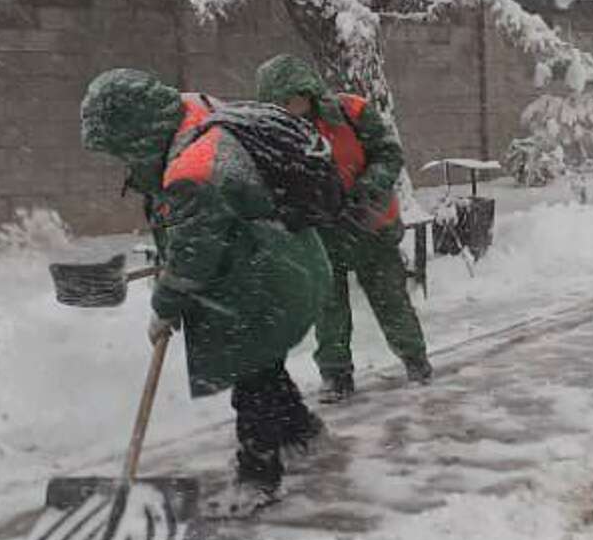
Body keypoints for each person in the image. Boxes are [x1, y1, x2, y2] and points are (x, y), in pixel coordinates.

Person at [78, 67, 338, 509]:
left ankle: (259, 477)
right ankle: (301, 430)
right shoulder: (190, 110)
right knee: (262, 364)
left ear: (137, 132)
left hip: (267, 279)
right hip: (284, 261)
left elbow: (193, 254)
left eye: (120, 148)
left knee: (250, 375)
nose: (121, 160)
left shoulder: (195, 169)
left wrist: (165, 304)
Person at [253, 54, 432, 403]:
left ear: (310, 91)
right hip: (320, 234)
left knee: (390, 300)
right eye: (282, 104)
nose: (292, 108)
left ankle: (415, 359)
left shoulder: (353, 112)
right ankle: (336, 375)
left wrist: (367, 189)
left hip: (369, 225)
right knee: (327, 309)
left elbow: (389, 154)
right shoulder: (272, 135)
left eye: (296, 98)